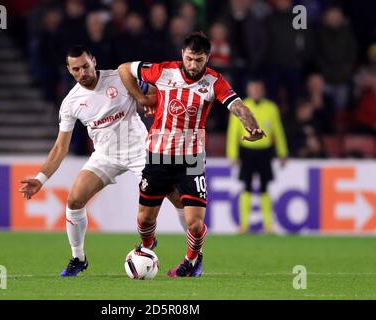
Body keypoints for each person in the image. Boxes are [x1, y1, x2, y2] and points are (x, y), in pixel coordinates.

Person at [19, 45, 185, 277]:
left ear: (94, 61)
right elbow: (60, 147)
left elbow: (156, 91)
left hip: (141, 151)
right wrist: (40, 179)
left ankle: (193, 257)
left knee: (178, 197)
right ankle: (78, 258)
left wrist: (150, 102)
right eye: (75, 69)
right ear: (69, 70)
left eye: (85, 66)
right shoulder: (71, 102)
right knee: (74, 200)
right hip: (105, 155)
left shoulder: (119, 78)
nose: (82, 73)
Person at [118, 32, 265, 278]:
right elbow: (124, 69)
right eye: (189, 59)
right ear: (182, 55)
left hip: (192, 159)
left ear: (207, 57)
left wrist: (252, 126)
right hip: (158, 156)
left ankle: (192, 261)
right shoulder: (163, 72)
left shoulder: (214, 81)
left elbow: (238, 106)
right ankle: (148, 244)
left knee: (195, 224)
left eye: (199, 59)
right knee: (144, 220)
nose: (193, 65)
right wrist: (141, 97)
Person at [227, 78, 288, 234]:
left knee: (265, 187)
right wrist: (232, 154)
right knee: (246, 186)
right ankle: (244, 225)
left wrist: (282, 152)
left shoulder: (271, 108)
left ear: (263, 91)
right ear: (248, 90)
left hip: (265, 152)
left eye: (258, 89)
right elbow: (233, 132)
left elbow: (278, 131)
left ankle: (268, 225)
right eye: (253, 89)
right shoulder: (241, 107)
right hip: (247, 151)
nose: (255, 92)